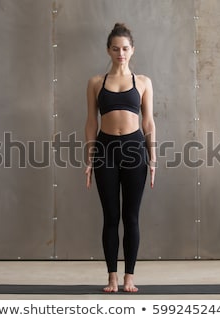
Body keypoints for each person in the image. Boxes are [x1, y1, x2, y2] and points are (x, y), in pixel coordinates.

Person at [84, 23, 156, 293]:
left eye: (125, 48)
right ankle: (112, 277)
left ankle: (130, 277)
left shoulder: (144, 82)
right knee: (111, 216)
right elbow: (91, 122)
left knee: (132, 217)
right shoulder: (95, 83)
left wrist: (154, 159)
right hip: (105, 150)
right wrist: (89, 159)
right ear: (108, 50)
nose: (121, 53)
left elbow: (148, 123)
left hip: (135, 149)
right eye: (115, 48)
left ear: (132, 50)